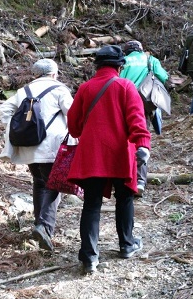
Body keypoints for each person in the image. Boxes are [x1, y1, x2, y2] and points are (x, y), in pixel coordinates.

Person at [66, 45, 151, 274]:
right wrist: (143, 145)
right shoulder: (126, 86)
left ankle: (89, 258)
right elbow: (136, 119)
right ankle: (126, 244)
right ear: (119, 66)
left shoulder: (85, 88)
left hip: (92, 155)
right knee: (124, 199)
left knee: (91, 204)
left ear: (97, 66)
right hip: (121, 154)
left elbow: (73, 126)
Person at [0, 59, 73, 251]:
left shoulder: (24, 91)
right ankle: (44, 227)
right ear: (54, 74)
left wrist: (16, 127)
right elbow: (72, 114)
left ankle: (39, 226)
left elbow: (4, 110)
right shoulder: (59, 89)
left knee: (40, 183)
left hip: (29, 146)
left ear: (36, 74)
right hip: (51, 146)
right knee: (54, 184)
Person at [120, 40, 169, 197]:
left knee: (123, 138)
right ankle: (139, 181)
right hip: (142, 103)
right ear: (141, 49)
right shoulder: (150, 60)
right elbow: (163, 76)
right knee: (141, 139)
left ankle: (121, 177)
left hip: (123, 101)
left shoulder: (122, 61)